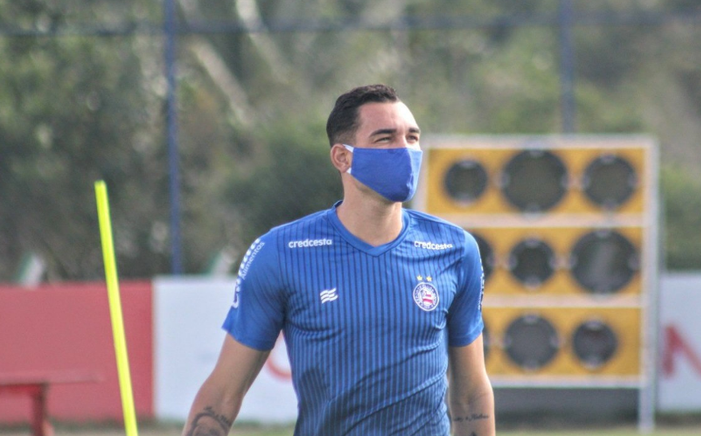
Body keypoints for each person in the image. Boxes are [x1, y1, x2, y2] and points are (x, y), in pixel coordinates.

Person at [182, 84, 495, 436]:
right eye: (385, 139)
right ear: (342, 158)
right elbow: (223, 395)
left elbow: (470, 394)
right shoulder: (280, 253)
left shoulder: (455, 249)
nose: (405, 150)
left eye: (412, 137)